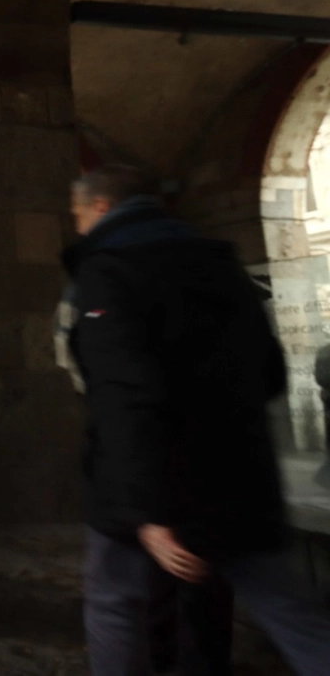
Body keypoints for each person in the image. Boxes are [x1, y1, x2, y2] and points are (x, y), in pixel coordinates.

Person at [64, 165, 330, 676]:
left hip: (159, 485)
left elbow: (124, 394)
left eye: (77, 213)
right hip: (243, 479)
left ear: (99, 208)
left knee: (115, 605)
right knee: (293, 615)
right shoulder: (219, 263)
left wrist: (149, 510)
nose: (76, 226)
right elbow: (270, 373)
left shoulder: (108, 271)